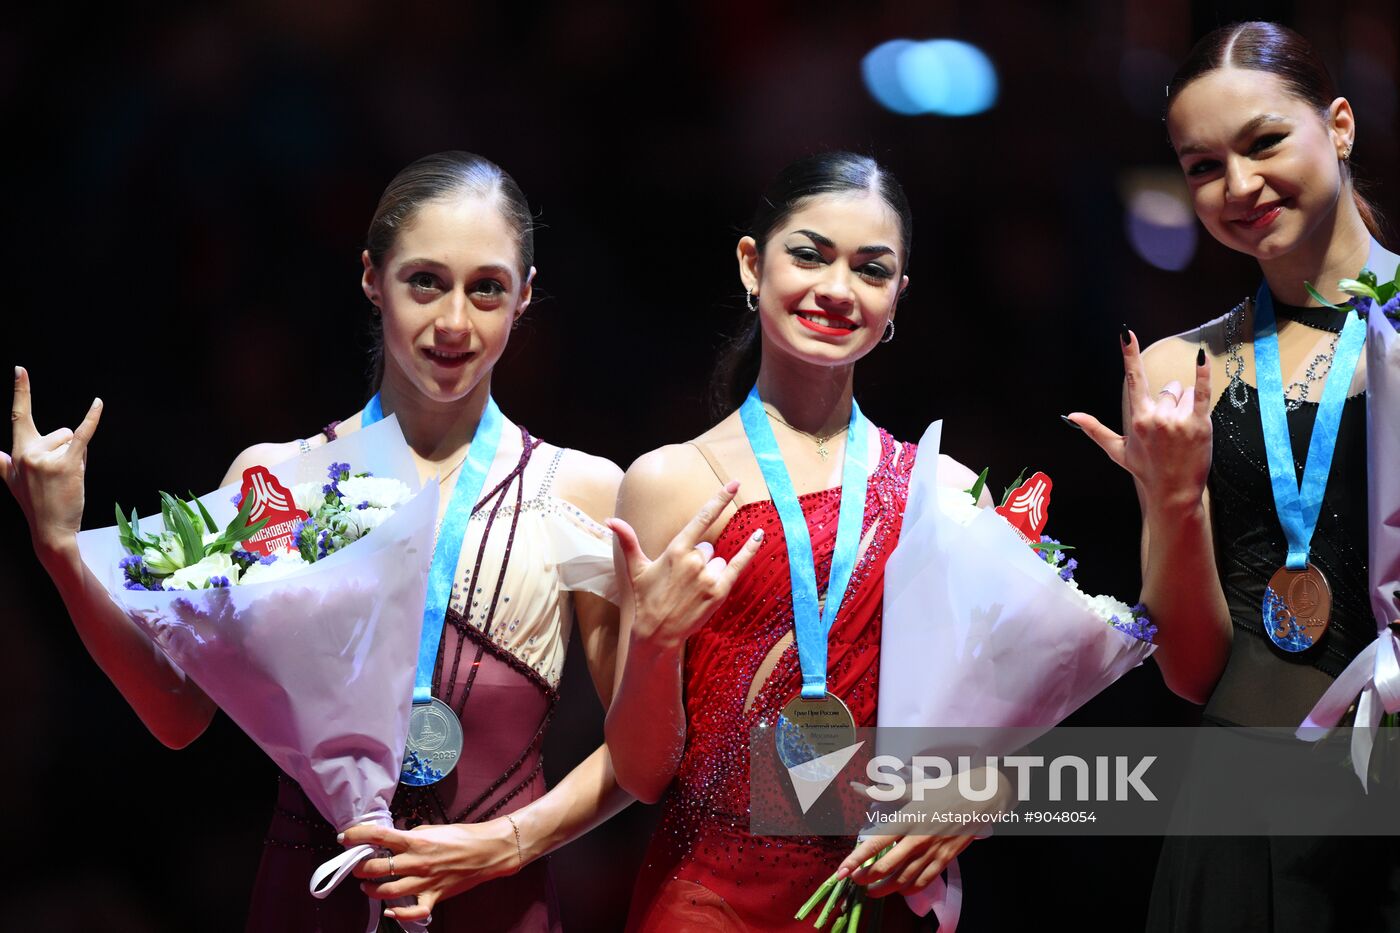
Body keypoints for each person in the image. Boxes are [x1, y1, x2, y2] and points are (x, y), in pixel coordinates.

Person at [2, 151, 631, 931]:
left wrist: (502, 845)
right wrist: (61, 549)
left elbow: (638, 750)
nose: (454, 322)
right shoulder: (277, 481)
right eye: (424, 280)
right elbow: (177, 714)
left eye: (487, 288)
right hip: (310, 903)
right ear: (372, 278)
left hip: (499, 904)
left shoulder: (584, 490)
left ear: (525, 297)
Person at [1067, 22, 1400, 932]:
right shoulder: (1180, 370)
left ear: (1338, 125)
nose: (1240, 187)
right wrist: (1172, 497)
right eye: (1203, 165)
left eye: (1264, 143)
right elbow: (1189, 667)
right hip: (1251, 807)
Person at [605, 151, 986, 932]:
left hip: (874, 899)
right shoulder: (672, 482)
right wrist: (649, 639)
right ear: (753, 262)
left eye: (871, 270)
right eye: (809, 255)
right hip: (705, 902)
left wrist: (981, 795)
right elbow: (642, 775)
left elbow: (986, 732)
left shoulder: (938, 491)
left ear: (897, 297)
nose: (836, 289)